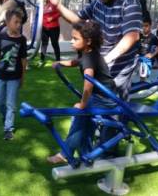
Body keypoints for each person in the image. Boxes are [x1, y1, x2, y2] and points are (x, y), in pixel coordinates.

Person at [51, 0, 142, 101]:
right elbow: (77, 21)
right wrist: (58, 6)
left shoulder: (129, 2)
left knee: (113, 108)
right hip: (100, 63)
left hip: (120, 66)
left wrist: (106, 60)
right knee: (93, 103)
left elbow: (132, 36)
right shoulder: (98, 3)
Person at [47, 20, 117, 163]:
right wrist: (60, 63)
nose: (72, 41)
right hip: (104, 96)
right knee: (85, 121)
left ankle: (65, 154)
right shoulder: (88, 53)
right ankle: (87, 152)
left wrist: (83, 104)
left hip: (105, 98)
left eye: (75, 39)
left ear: (88, 41)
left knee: (80, 116)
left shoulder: (89, 58)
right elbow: (76, 62)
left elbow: (88, 84)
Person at [0, 9, 27, 140]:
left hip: (14, 77)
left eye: (20, 22)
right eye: (15, 22)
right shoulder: (1, 36)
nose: (18, 25)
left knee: (11, 104)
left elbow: (23, 60)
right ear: (7, 23)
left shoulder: (22, 40)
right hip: (0, 75)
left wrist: (23, 77)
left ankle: (8, 129)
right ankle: (6, 117)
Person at [137, 0, 158, 80]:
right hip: (138, 58)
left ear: (150, 26)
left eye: (146, 26)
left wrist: (152, 55)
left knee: (143, 76)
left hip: (146, 60)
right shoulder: (139, 35)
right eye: (142, 26)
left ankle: (143, 85)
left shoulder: (153, 37)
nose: (144, 28)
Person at [40, 0, 61, 66]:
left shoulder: (54, 4)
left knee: (54, 43)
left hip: (54, 28)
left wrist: (52, 18)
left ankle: (58, 60)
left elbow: (60, 13)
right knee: (44, 43)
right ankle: (42, 59)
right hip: (44, 28)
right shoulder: (44, 4)